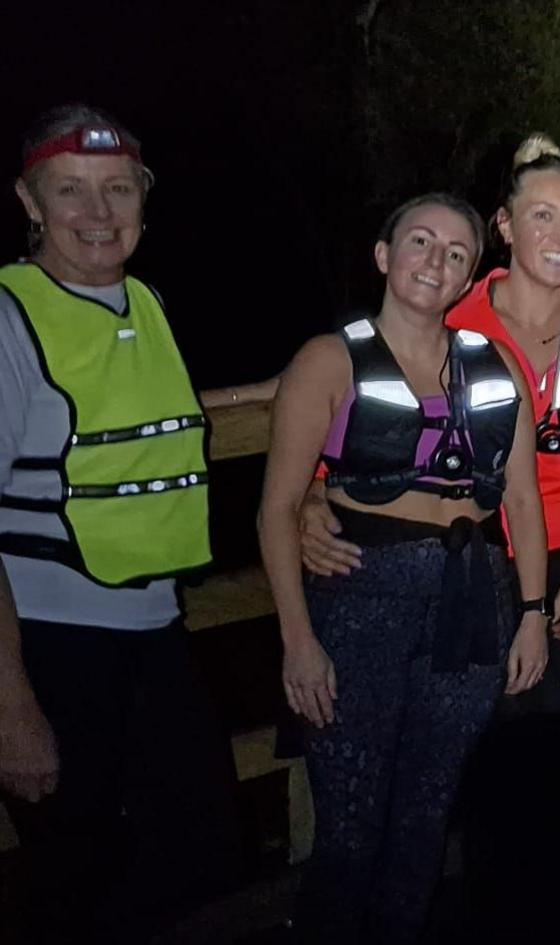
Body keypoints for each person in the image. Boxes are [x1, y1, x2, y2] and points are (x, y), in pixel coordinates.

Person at [258, 191, 548, 943]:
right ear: (384, 256)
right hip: (361, 597)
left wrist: (532, 614)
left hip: (471, 599)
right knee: (350, 821)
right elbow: (277, 508)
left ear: (468, 277)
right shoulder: (329, 359)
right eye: (420, 242)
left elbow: (522, 498)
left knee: (427, 813)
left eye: (455, 253)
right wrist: (298, 640)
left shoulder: (495, 366)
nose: (435, 261)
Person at [299, 135, 560, 717]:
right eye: (542, 216)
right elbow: (360, 398)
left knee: (557, 736)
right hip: (471, 556)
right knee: (467, 737)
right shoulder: (453, 315)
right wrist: (315, 489)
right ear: (505, 225)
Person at [0, 104, 240, 943]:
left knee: (200, 853)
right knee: (77, 885)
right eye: (71, 189)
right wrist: (10, 706)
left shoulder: (145, 299)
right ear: (30, 203)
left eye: (118, 189)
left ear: (144, 198)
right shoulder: (10, 317)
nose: (98, 212)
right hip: (49, 644)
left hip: (152, 631)